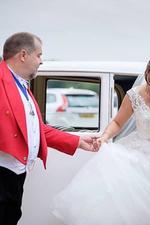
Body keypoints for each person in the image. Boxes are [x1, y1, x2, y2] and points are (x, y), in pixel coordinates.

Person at [53, 55, 150, 225]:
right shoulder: (134, 95)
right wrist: (105, 137)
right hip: (141, 153)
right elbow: (117, 122)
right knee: (135, 205)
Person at [0, 32, 96, 225]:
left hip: (16, 173)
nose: (41, 61)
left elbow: (36, 129)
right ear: (23, 55)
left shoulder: (21, 85)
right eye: (39, 55)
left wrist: (77, 141)